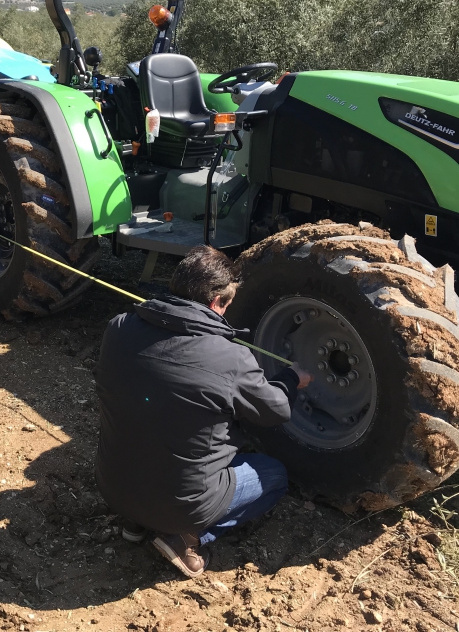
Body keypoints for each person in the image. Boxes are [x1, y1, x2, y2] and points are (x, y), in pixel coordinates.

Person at [94, 246, 311, 578]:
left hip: (112, 488)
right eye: (229, 305)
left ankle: (136, 523)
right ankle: (185, 537)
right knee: (274, 476)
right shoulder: (229, 357)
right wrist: (293, 377)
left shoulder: (119, 327)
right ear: (216, 302)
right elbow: (276, 410)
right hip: (181, 506)